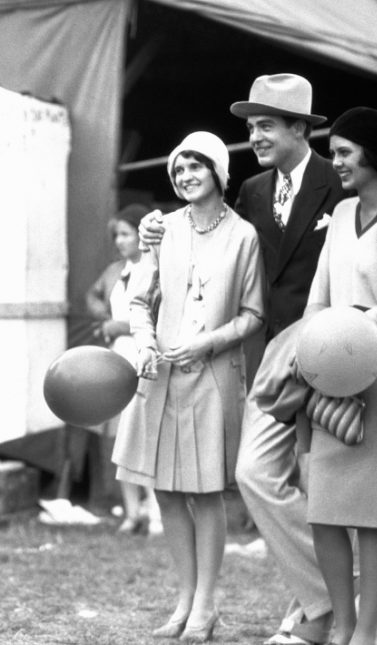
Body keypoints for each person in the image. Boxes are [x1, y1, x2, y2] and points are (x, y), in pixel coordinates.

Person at [114, 131, 265, 642]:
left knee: (204, 493)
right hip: (159, 375)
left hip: (212, 376)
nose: (186, 176)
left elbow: (252, 315)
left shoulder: (243, 235)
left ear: (219, 173)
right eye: (178, 169)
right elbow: (138, 301)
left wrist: (206, 345)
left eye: (196, 167)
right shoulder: (161, 230)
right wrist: (146, 345)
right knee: (166, 491)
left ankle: (206, 603)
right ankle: (184, 598)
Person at [302, 107, 377, 645]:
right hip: (332, 372)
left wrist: (340, 340)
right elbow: (318, 297)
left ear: (375, 153)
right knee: (324, 509)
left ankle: (366, 634)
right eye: (334, 152)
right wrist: (311, 351)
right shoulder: (341, 211)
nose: (337, 162)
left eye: (345, 152)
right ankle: (342, 626)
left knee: (371, 515)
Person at [84, 203, 162, 535]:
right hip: (117, 359)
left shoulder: (156, 268)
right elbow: (91, 295)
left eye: (126, 233)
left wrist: (120, 326)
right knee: (120, 441)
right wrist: (104, 319)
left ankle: (157, 513)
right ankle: (132, 513)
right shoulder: (117, 270)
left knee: (146, 440)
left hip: (144, 357)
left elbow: (159, 314)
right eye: (116, 234)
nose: (120, 241)